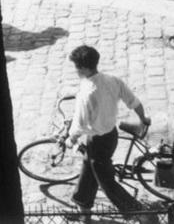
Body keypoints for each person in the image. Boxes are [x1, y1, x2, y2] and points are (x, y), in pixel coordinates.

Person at [65, 45, 158, 223]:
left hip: (97, 141)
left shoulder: (86, 94)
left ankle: (139, 213)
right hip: (111, 136)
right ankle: (83, 208)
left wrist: (72, 138)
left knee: (107, 182)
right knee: (88, 170)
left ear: (83, 68)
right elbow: (133, 101)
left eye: (76, 67)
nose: (76, 70)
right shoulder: (112, 80)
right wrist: (142, 119)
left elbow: (80, 123)